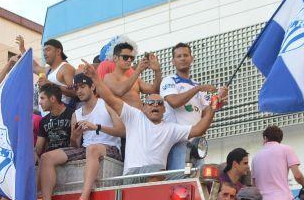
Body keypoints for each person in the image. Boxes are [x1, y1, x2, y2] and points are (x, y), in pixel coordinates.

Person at [79, 62, 224, 179]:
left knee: (189, 175)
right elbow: (109, 97)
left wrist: (213, 106)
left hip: (156, 176)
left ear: (164, 110)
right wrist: (95, 78)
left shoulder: (171, 128)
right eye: (150, 103)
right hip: (133, 175)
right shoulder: (134, 116)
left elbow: (199, 129)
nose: (155, 105)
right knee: (157, 170)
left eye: (159, 103)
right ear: (143, 107)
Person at [36, 73, 124, 200]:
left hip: (110, 148)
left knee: (92, 149)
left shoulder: (106, 103)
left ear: (93, 87)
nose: (79, 91)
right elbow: (74, 145)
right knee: (46, 157)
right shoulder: (76, 113)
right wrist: (74, 136)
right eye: (76, 88)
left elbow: (122, 131)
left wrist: (96, 127)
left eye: (83, 87)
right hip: (86, 149)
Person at [160, 43, 218, 170]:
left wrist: (217, 101)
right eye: (179, 56)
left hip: (197, 145)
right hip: (177, 143)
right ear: (173, 61)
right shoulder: (169, 80)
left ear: (191, 58)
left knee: (197, 182)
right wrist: (198, 89)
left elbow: (207, 115)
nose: (182, 58)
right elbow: (174, 102)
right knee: (179, 182)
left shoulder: (198, 86)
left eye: (185, 55)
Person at [103, 43, 162, 109]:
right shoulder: (108, 77)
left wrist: (157, 71)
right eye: (125, 57)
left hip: (140, 116)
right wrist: (138, 70)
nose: (129, 60)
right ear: (115, 58)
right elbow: (120, 91)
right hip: (123, 118)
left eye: (131, 58)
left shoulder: (134, 78)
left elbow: (155, 90)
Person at [36, 83, 75, 157]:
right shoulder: (44, 121)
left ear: (52, 99)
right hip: (49, 157)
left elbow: (76, 143)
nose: (40, 103)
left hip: (68, 155)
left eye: (42, 98)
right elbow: (38, 149)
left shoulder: (73, 114)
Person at [37, 38, 76, 113]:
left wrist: (51, 84)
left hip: (62, 116)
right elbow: (35, 67)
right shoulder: (47, 70)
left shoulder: (66, 67)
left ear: (58, 51)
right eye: (43, 51)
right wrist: (22, 49)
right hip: (48, 117)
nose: (44, 54)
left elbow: (74, 92)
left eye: (48, 50)